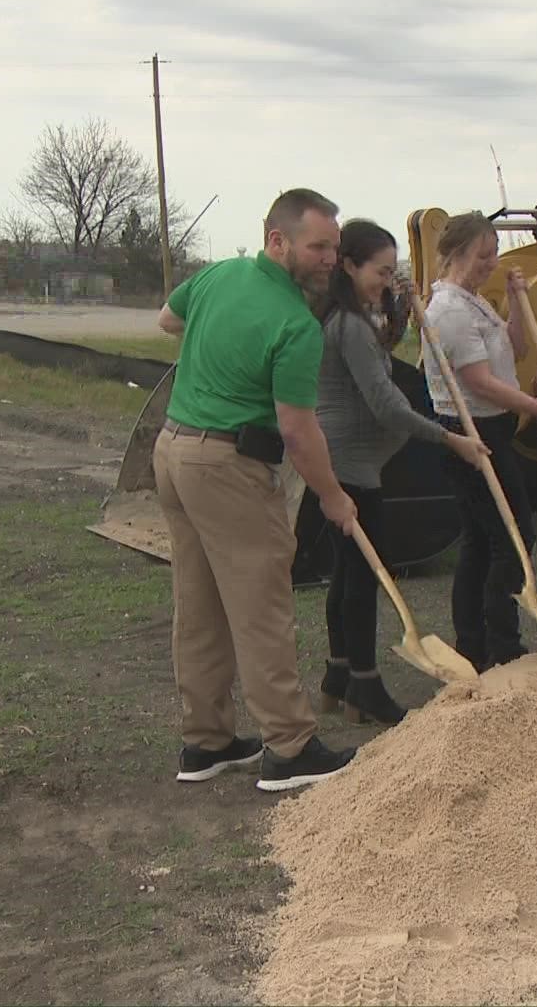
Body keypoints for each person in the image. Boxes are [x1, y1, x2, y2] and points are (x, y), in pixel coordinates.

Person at [153, 188, 359, 793]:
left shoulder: (217, 276)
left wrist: (218, 346)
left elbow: (167, 320)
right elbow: (298, 430)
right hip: (226, 467)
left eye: (334, 248)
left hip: (171, 451)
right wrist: (331, 496)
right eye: (318, 246)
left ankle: (206, 742)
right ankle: (289, 749)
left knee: (200, 603)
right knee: (261, 607)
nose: (329, 259)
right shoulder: (296, 325)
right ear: (278, 240)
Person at [313, 219, 487, 726]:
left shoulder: (348, 316)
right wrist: (449, 436)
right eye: (381, 271)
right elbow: (387, 404)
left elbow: (377, 352)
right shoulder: (347, 324)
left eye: (394, 272)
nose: (387, 281)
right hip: (351, 463)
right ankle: (364, 684)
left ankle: (339, 676)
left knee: (348, 570)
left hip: (350, 459)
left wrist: (402, 311)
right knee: (365, 576)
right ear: (348, 265)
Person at [422, 212, 537, 673]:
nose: (492, 262)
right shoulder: (447, 310)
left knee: (484, 542)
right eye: (484, 254)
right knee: (511, 537)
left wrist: (512, 302)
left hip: (494, 426)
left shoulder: (474, 302)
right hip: (471, 431)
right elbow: (480, 382)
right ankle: (500, 645)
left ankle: (476, 642)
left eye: (494, 254)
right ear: (458, 252)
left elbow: (517, 349)